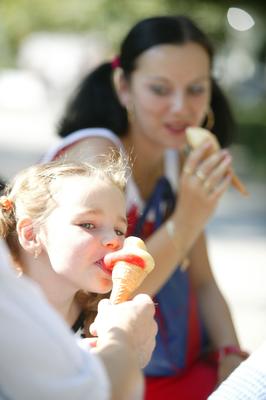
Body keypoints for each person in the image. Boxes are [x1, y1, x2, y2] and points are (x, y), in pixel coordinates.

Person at [42, 15, 248, 399]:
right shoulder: (96, 156)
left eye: (196, 89)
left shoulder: (179, 160)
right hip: (98, 364)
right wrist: (186, 219)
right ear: (124, 87)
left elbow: (203, 281)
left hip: (176, 362)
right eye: (159, 89)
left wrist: (231, 356)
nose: (180, 107)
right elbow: (99, 301)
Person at [0, 157, 157, 400]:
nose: (114, 240)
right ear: (30, 235)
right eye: (89, 224)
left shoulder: (96, 323)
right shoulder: (9, 313)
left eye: (119, 230)